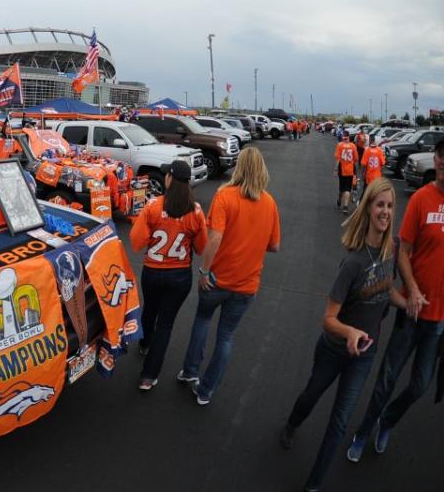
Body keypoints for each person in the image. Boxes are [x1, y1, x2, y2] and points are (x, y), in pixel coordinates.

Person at [280, 178, 406, 491]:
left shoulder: (393, 250)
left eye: (390, 206)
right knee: (311, 395)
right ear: (368, 208)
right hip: (334, 348)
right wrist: (349, 332)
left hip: (365, 354)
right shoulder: (353, 261)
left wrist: (408, 300)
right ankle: (291, 425)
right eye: (380, 205)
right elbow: (328, 319)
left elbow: (385, 288)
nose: (386, 212)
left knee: (339, 421)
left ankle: (313, 484)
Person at [346, 138, 444, 462]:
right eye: (442, 157)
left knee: (419, 385)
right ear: (436, 159)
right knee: (387, 379)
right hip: (413, 312)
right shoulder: (421, 199)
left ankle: (387, 421)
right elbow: (404, 250)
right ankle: (363, 431)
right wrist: (412, 288)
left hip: (439, 320)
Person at [178, 147, 281, 404]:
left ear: (239, 167)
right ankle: (206, 391)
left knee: (202, 321)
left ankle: (190, 371)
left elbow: (214, 237)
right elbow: (274, 245)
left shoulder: (225, 195)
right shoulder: (269, 203)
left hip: (216, 280)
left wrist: (204, 271)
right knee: (226, 336)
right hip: (246, 285)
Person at [129, 160, 208, 391]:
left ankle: (144, 343)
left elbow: (135, 241)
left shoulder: (153, 206)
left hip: (153, 272)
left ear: (170, 179)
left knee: (150, 310)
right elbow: (202, 249)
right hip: (179, 276)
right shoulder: (196, 211)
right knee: (165, 324)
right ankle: (148, 376)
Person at [334, 135, 358, 214]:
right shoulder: (353, 146)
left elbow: (338, 158)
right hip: (350, 169)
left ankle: (340, 200)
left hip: (342, 169)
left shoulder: (340, 145)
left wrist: (336, 169)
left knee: (342, 187)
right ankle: (345, 206)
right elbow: (356, 159)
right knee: (348, 188)